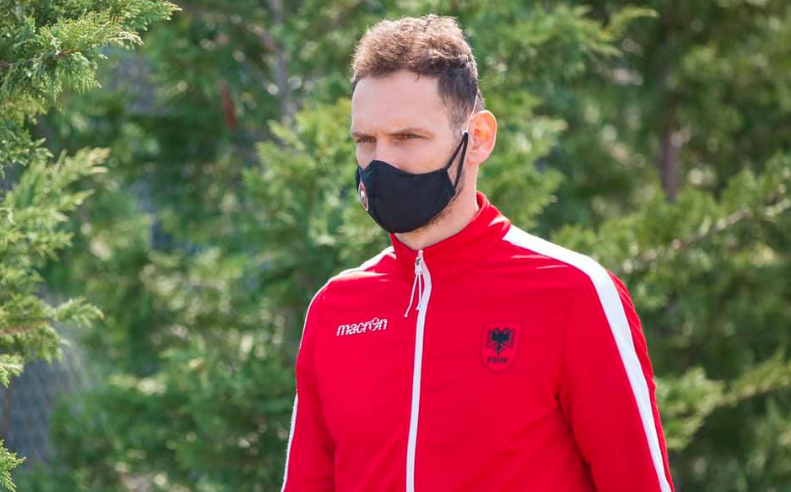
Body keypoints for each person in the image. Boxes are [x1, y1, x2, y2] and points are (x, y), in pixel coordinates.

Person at [280, 14, 675, 492]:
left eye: (407, 138)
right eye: (366, 141)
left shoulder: (574, 293)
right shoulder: (335, 309)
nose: (380, 164)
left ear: (479, 139)